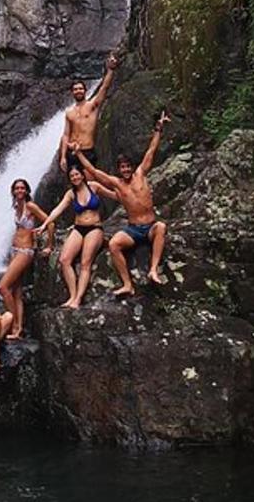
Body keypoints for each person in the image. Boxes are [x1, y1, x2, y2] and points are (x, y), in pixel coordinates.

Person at [72, 110, 172, 296]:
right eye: (122, 167)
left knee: (161, 227)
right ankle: (127, 284)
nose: (125, 169)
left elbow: (151, 151)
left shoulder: (141, 174)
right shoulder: (117, 183)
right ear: (119, 170)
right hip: (133, 229)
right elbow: (92, 171)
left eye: (128, 166)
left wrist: (159, 129)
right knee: (114, 244)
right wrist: (78, 154)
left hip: (149, 226)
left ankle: (153, 269)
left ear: (132, 167)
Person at [34, 166, 118, 309]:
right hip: (78, 228)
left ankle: (78, 299)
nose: (75, 178)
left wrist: (128, 190)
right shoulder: (71, 194)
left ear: (82, 175)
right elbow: (58, 209)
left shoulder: (94, 187)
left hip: (95, 228)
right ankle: (72, 296)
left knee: (85, 263)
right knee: (64, 260)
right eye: (72, 176)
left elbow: (114, 195)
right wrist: (44, 225)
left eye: (77, 174)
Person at [0, 178, 53, 339]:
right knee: (16, 291)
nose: (19, 191)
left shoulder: (31, 206)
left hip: (25, 251)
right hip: (15, 250)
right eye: (16, 188)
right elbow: (20, 229)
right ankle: (19, 328)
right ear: (13, 191)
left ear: (27, 190)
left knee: (3, 287)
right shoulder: (16, 206)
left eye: (22, 188)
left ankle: (13, 323)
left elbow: (50, 223)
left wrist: (49, 245)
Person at [57, 51, 119, 174]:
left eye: (80, 89)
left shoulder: (92, 106)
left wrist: (110, 70)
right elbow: (65, 135)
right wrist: (63, 156)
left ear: (85, 91)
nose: (78, 91)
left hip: (87, 151)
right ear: (72, 93)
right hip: (72, 152)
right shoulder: (69, 112)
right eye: (75, 89)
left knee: (89, 182)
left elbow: (104, 88)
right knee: (74, 183)